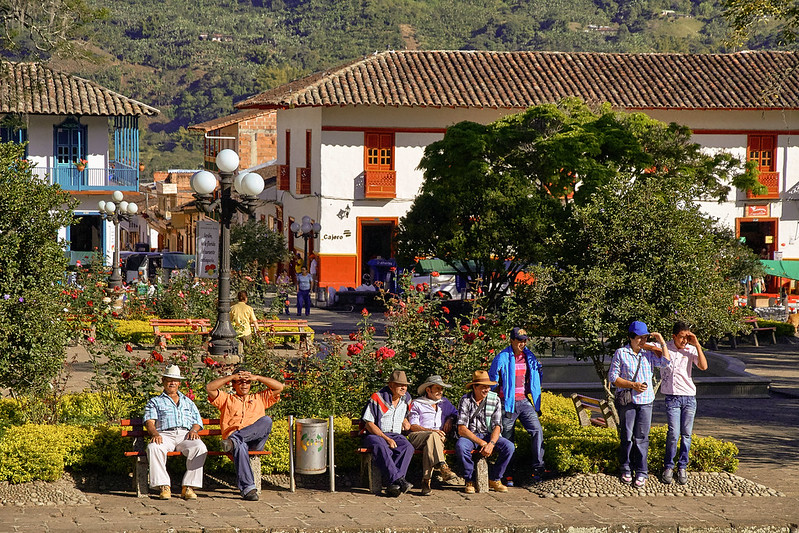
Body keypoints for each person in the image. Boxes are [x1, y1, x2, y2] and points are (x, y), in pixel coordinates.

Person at [608, 321, 671, 489]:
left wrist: (661, 342)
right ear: (631, 338)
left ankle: (642, 471)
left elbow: (666, 363)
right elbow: (613, 378)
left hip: (646, 401)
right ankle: (626, 467)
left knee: (642, 438)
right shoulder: (621, 353)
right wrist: (632, 385)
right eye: (639, 338)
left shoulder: (648, 353)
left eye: (645, 338)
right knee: (627, 437)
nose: (642, 341)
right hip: (628, 400)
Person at [206, 368, 283, 501]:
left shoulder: (259, 398)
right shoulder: (227, 399)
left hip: (254, 441)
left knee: (267, 420)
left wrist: (257, 377)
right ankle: (248, 490)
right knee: (240, 446)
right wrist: (231, 377)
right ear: (234, 385)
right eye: (240, 382)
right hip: (238, 444)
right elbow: (209, 388)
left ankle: (234, 440)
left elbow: (280, 387)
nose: (244, 385)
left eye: (247, 382)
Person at [488, 326, 545, 485]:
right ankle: (507, 474)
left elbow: (535, 379)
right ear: (511, 340)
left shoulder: (530, 356)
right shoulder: (502, 357)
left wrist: (537, 404)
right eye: (519, 340)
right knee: (507, 439)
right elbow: (492, 380)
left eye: (524, 340)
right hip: (507, 403)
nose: (522, 343)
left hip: (524, 401)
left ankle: (537, 469)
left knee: (537, 431)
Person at [143, 365, 207, 500]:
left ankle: (189, 487)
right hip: (165, 434)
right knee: (153, 447)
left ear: (179, 383)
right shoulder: (155, 401)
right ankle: (164, 486)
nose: (172, 383)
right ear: (163, 381)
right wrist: (155, 434)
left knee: (199, 447)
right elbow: (149, 422)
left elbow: (197, 421)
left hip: (185, 434)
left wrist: (194, 430)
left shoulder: (188, 402)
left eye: (175, 380)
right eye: (169, 380)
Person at [661, 321, 708, 485]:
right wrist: (659, 340)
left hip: (689, 397)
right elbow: (647, 346)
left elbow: (703, 366)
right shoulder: (665, 348)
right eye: (681, 337)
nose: (684, 341)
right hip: (672, 397)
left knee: (686, 434)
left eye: (687, 337)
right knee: (673, 434)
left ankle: (682, 467)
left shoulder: (691, 349)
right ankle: (668, 466)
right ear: (674, 336)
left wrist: (697, 345)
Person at [455, 370, 515, 494]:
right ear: (474, 387)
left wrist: (491, 443)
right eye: (483, 387)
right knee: (461, 447)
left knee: (509, 447)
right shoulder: (465, 400)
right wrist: (482, 443)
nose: (487, 390)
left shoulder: (495, 400)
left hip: (488, 435)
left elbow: (497, 426)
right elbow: (462, 429)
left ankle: (495, 478)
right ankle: (469, 479)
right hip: (470, 436)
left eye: (488, 387)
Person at [361, 369, 414, 497]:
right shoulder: (378, 397)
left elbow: (403, 416)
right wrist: (386, 438)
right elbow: (369, 423)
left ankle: (392, 484)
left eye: (405, 385)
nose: (403, 388)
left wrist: (405, 421)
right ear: (391, 385)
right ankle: (399, 480)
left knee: (408, 447)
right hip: (375, 434)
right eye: (400, 384)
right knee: (382, 445)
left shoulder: (406, 399)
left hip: (395, 434)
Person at [406, 375, 459, 495]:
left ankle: (426, 482)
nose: (440, 391)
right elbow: (413, 426)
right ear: (428, 390)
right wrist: (431, 430)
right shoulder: (417, 403)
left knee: (431, 442)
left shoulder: (445, 403)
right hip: (417, 436)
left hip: (437, 439)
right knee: (433, 436)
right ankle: (442, 466)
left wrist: (450, 419)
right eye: (437, 388)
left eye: (441, 389)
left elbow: (456, 414)